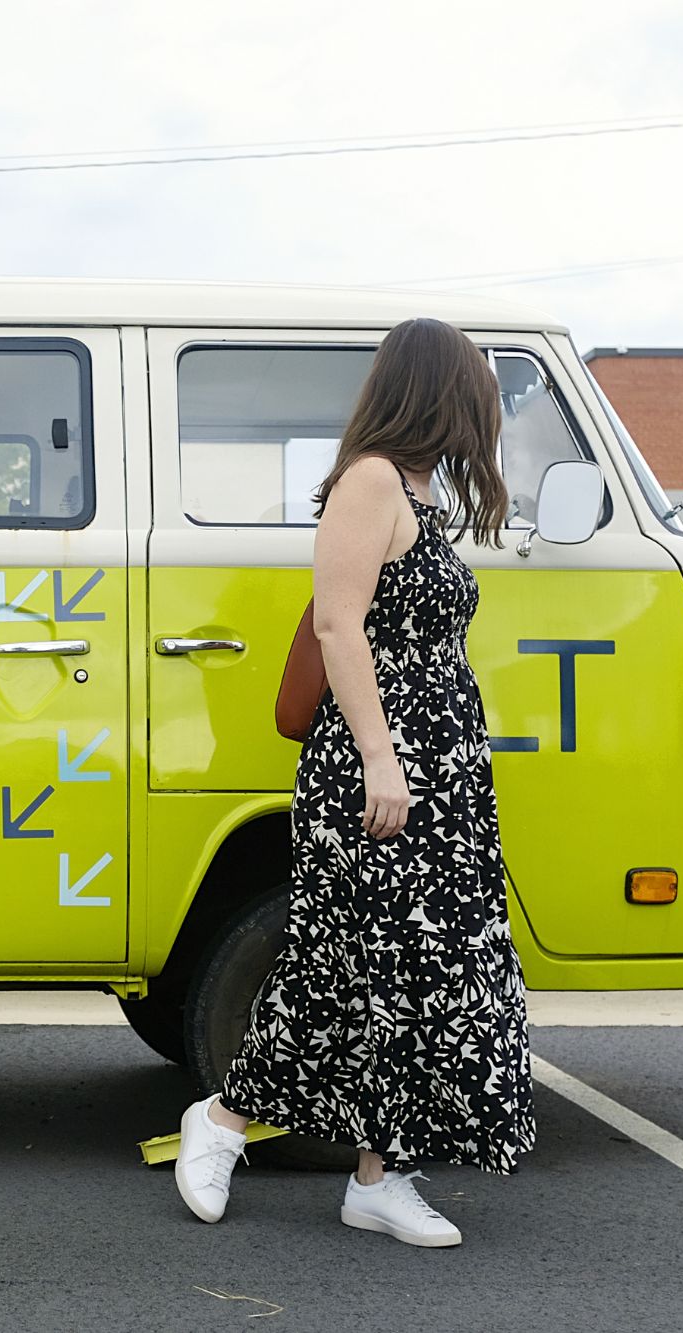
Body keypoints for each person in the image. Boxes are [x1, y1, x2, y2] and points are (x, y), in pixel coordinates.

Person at [173, 317, 536, 1247]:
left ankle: (379, 1176)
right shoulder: (371, 480)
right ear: (437, 390)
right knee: (347, 968)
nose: (487, 409)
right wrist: (381, 754)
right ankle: (220, 1123)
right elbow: (339, 626)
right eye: (479, 390)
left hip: (435, 781)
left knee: (422, 977)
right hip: (378, 773)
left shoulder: (422, 490)